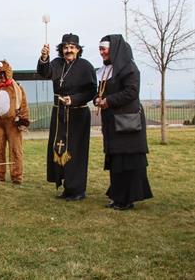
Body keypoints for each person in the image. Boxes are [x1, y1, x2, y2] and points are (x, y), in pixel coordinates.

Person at [95, 34, 153, 210]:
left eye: (103, 49)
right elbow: (104, 92)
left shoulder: (129, 68)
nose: (101, 53)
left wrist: (108, 101)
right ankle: (118, 196)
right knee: (117, 161)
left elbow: (131, 92)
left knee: (128, 162)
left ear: (114, 49)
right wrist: (97, 99)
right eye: (100, 49)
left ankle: (127, 199)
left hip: (128, 124)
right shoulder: (106, 70)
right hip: (113, 124)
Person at [37, 33, 97, 201]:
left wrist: (74, 99)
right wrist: (44, 57)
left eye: (72, 47)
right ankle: (66, 187)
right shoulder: (57, 63)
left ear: (78, 50)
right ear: (61, 50)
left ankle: (78, 190)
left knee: (76, 152)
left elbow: (92, 90)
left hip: (78, 114)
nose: (68, 50)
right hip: (59, 113)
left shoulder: (85, 66)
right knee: (59, 148)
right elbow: (45, 72)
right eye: (65, 47)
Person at [0, 59, 30, 185]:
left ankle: (17, 176)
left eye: (3, 73)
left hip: (12, 123)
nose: (1, 76)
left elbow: (23, 104)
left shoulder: (17, 88)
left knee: (15, 149)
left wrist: (23, 121)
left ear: (8, 72)